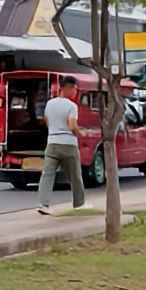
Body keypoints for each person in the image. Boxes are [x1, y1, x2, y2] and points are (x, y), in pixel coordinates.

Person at [36, 75, 86, 214]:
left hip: (52, 142)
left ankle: (43, 204)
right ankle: (79, 203)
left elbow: (46, 120)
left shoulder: (50, 104)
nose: (75, 92)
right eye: (75, 89)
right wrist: (81, 133)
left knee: (47, 174)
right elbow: (72, 126)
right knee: (75, 175)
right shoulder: (72, 106)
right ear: (68, 88)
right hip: (68, 144)